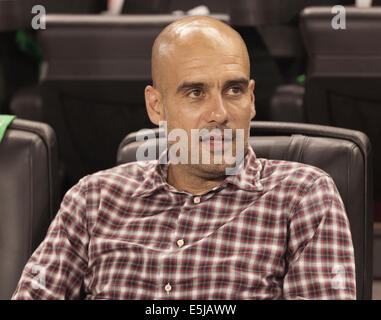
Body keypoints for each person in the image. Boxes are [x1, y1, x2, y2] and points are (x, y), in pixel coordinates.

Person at [12, 16, 356, 300]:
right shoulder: (92, 200)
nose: (219, 113)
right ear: (155, 105)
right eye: (195, 93)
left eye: (233, 90)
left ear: (251, 99)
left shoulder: (303, 196)